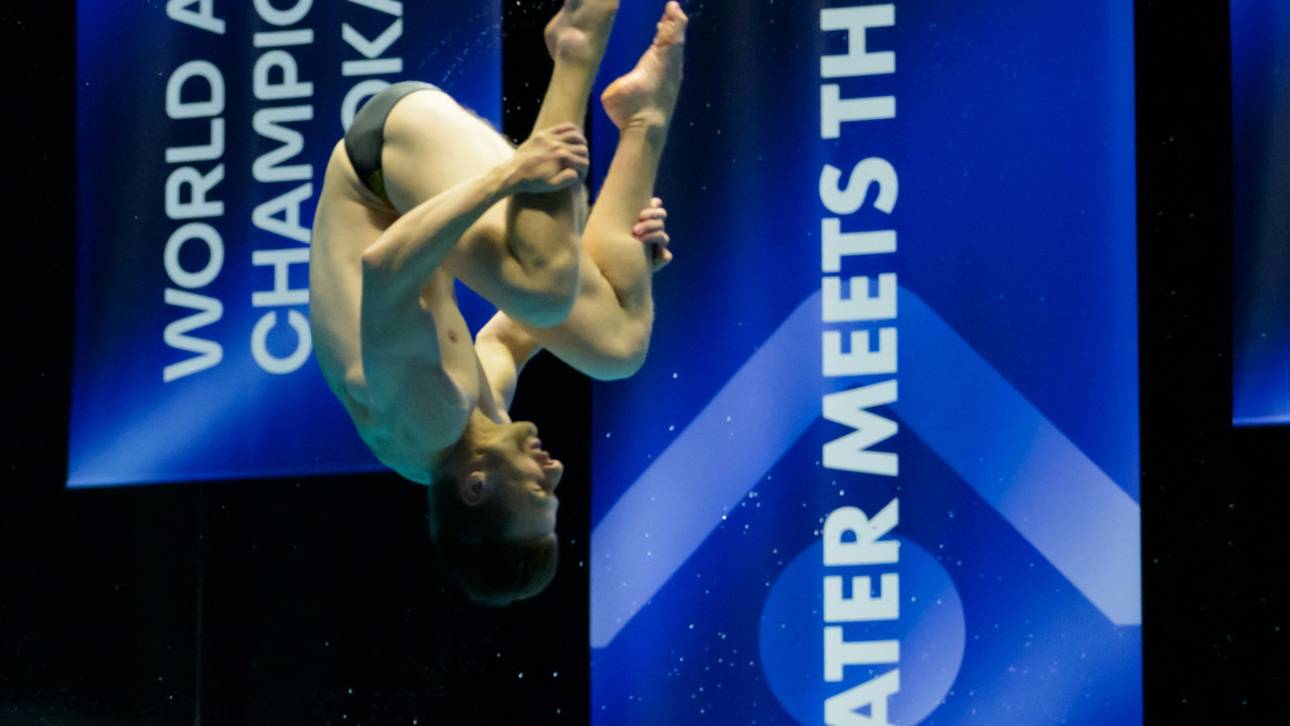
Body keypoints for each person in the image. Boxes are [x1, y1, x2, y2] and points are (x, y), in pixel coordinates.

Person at [308, 0, 688, 606]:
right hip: (418, 196)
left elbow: (382, 270)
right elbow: (511, 335)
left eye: (539, 494)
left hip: (381, 162)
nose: (556, 472)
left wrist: (511, 177)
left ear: (478, 489)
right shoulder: (474, 431)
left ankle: (575, 47)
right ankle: (644, 116)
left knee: (541, 287)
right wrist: (624, 275)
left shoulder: (423, 417)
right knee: (616, 345)